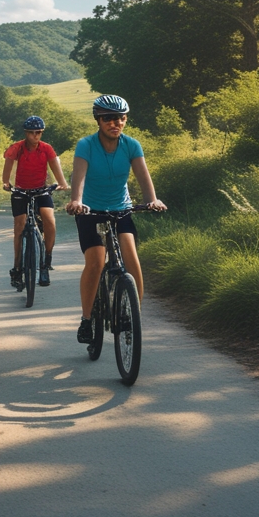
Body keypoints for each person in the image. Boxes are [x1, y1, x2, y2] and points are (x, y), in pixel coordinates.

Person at [65, 95, 166, 344]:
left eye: (120, 118)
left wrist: (152, 199)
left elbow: (143, 177)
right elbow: (79, 177)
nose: (115, 123)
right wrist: (76, 201)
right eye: (108, 118)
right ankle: (87, 319)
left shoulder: (131, 145)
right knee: (96, 261)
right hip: (90, 211)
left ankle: (135, 316)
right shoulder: (86, 145)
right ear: (98, 120)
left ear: (125, 120)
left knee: (131, 255)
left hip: (121, 208)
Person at [1, 115, 68, 288]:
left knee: (49, 219)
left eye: (38, 132)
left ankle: (46, 261)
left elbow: (55, 167)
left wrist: (62, 183)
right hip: (20, 190)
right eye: (31, 133)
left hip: (41, 189)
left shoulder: (46, 149)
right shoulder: (17, 148)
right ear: (26, 133)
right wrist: (6, 183)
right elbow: (7, 171)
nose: (35, 136)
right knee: (19, 225)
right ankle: (17, 267)